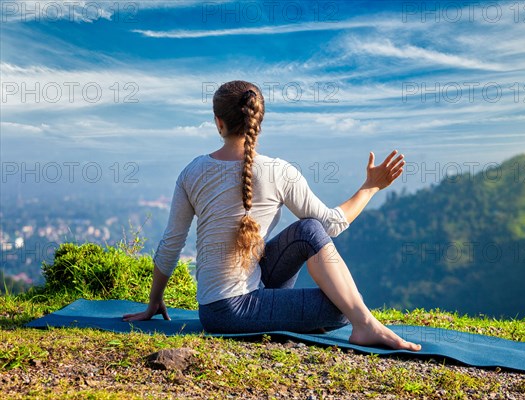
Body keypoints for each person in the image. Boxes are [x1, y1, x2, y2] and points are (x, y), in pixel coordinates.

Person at [123, 80, 421, 351]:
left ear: (218, 123)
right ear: (259, 122)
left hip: (214, 307)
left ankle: (361, 322)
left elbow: (171, 244)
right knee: (341, 307)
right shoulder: (279, 171)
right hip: (232, 311)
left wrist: (153, 302)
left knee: (308, 230)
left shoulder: (192, 172)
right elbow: (333, 223)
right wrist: (370, 188)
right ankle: (364, 324)